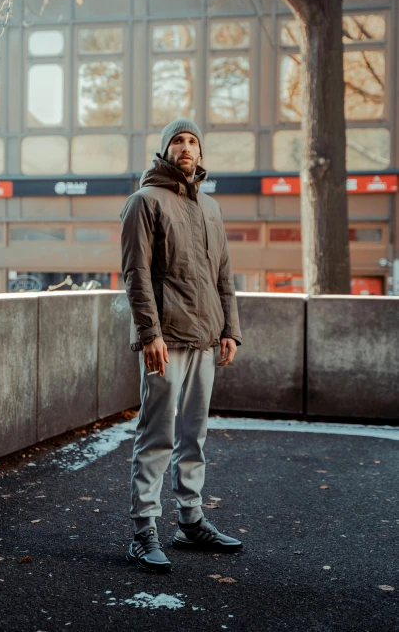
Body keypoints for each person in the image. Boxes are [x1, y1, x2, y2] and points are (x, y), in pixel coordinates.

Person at [120, 118, 243, 573]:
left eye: (192, 141)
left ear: (201, 153)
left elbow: (224, 277)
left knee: (195, 435)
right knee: (157, 435)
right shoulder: (144, 202)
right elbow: (136, 275)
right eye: (178, 140)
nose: (186, 147)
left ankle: (190, 522)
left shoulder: (211, 208)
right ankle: (143, 531)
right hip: (166, 339)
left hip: (206, 337)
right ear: (165, 150)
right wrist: (149, 334)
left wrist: (230, 328)